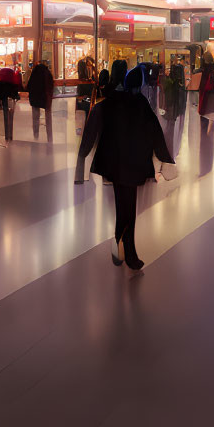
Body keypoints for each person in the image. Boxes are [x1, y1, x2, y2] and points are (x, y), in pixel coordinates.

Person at [76, 62, 174, 271]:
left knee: (124, 206)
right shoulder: (139, 103)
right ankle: (127, 250)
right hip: (134, 162)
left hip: (115, 162)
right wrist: (165, 157)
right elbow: (155, 130)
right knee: (128, 207)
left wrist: (82, 155)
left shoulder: (108, 102)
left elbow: (92, 128)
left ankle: (122, 247)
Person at [27, 59, 55, 140]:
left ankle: (36, 136)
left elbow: (29, 86)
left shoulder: (34, 73)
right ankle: (49, 137)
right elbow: (50, 85)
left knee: (35, 118)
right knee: (48, 119)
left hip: (35, 98)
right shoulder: (47, 73)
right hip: (46, 98)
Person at [196, 54, 214, 135]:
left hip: (204, 97)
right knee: (212, 120)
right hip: (211, 98)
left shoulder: (202, 71)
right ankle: (209, 138)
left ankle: (204, 137)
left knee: (204, 120)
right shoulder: (212, 70)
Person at [0, 64, 21, 140]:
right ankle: (9, 136)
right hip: (10, 111)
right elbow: (17, 97)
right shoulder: (13, 87)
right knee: (10, 122)